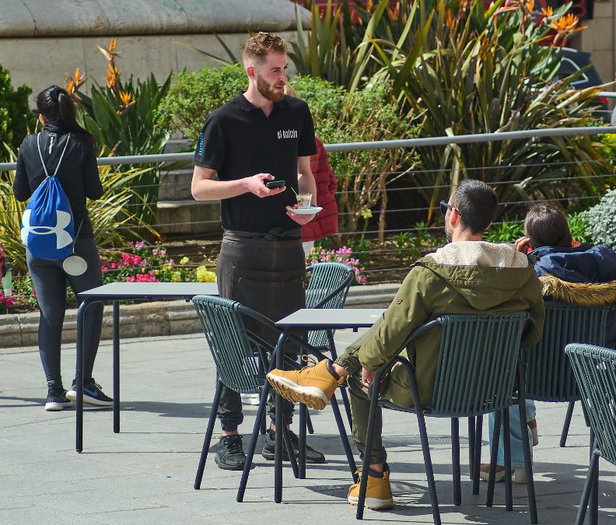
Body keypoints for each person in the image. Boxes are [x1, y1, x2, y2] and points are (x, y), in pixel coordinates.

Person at [266, 179, 545, 511]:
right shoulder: (521, 273)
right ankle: (328, 372)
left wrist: (371, 362)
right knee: (377, 346)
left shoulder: (429, 273)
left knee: (360, 376)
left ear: (453, 216)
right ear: (487, 223)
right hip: (493, 390)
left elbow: (392, 331)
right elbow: (533, 332)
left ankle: (373, 476)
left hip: (425, 389)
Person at [191, 32, 324, 471]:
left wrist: (306, 206)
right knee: (233, 342)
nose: (282, 77)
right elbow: (199, 188)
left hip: (288, 246)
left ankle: (280, 432)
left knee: (289, 342)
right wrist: (245, 185)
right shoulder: (223, 121)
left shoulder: (297, 112)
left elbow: (305, 173)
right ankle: (228, 435)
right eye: (275, 70)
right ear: (252, 71)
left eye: (284, 69)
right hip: (242, 248)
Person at [481, 203, 616, 483]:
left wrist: (517, 260)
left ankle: (514, 461)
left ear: (530, 240)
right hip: (593, 372)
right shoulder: (606, 265)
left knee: (502, 373)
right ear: (567, 233)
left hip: (537, 375)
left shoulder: (531, 273)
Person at [13, 85, 111, 411]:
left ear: (41, 116)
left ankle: (53, 392)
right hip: (76, 241)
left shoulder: (29, 144)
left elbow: (20, 192)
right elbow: (95, 192)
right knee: (92, 306)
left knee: (50, 316)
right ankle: (82, 383)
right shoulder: (82, 143)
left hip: (40, 244)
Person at [283, 85, 339, 257]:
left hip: (274, 227)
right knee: (296, 277)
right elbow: (329, 183)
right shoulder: (314, 142)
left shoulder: (269, 141)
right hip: (307, 221)